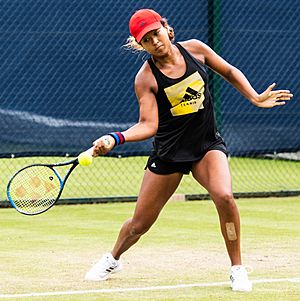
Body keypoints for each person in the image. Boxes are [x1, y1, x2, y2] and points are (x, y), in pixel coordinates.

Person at [84, 9, 293, 292]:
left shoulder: (196, 50)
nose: (154, 41)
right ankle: (113, 258)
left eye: (156, 33)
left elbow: (230, 71)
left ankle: (237, 268)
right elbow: (148, 125)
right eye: (146, 39)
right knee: (139, 224)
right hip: (169, 153)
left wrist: (255, 97)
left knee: (224, 196)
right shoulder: (146, 78)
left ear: (166, 29)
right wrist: (114, 138)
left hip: (206, 145)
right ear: (141, 45)